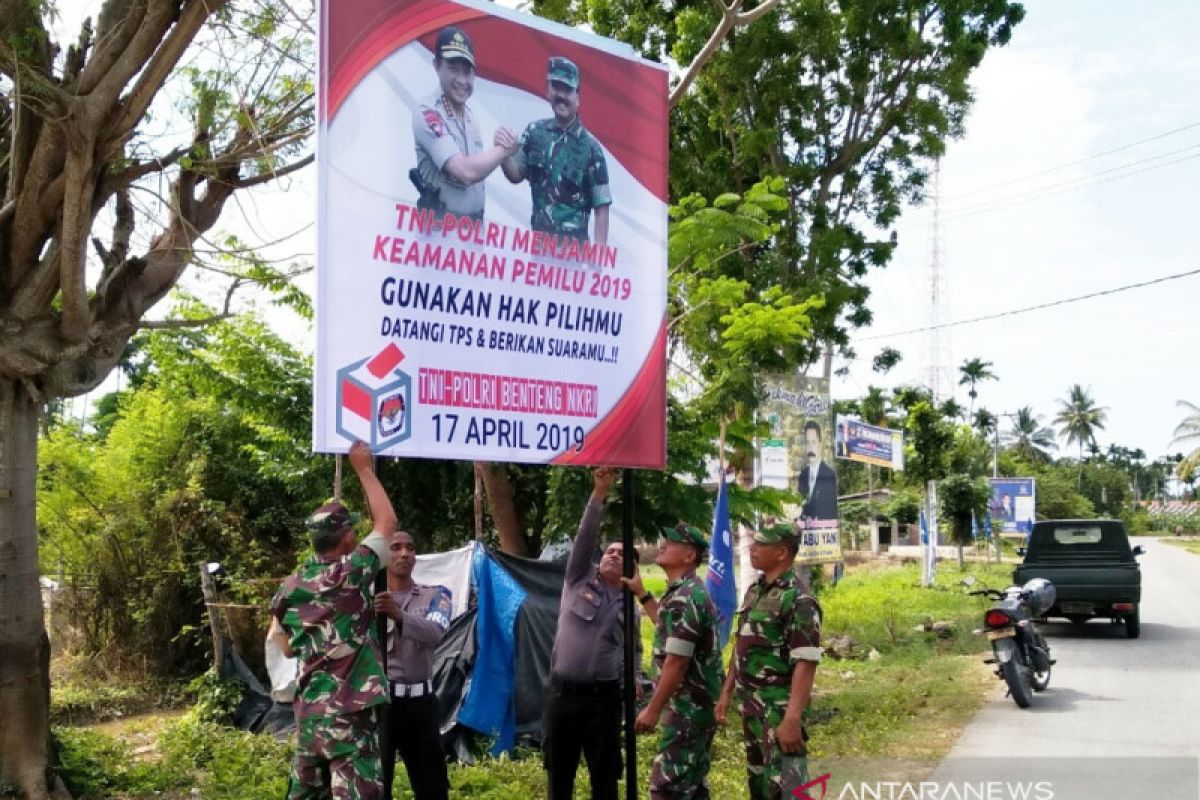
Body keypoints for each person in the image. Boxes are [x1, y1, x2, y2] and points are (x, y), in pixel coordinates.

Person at [271, 441, 397, 800]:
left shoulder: (289, 586)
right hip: (349, 716)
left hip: (309, 714)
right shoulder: (351, 572)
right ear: (347, 537)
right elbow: (387, 524)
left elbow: (283, 644)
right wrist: (364, 469)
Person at [715, 523, 822, 800]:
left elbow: (806, 662)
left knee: (787, 787)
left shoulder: (799, 599)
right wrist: (726, 692)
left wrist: (792, 719)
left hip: (779, 709)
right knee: (759, 784)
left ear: (781, 552)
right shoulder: (756, 590)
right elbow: (741, 644)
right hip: (752, 708)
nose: (752, 548)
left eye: (760, 545)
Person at [543, 466, 628, 800]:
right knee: (559, 777)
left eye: (622, 555)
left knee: (604, 779)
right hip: (562, 696)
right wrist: (599, 494)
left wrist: (636, 679)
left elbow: (632, 648)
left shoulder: (628, 602)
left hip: (604, 701)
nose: (614, 555)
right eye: (610, 551)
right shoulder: (577, 578)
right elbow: (585, 537)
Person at [623, 524, 722, 800]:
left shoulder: (687, 597)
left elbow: (677, 662)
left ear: (689, 556)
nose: (663, 545)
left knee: (668, 788)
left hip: (688, 710)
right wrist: (642, 594)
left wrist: (653, 710)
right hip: (693, 707)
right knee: (692, 786)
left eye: (672, 542)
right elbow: (670, 633)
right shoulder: (684, 592)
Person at [374, 531, 453, 800]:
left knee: (432, 786)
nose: (405, 553)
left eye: (410, 547)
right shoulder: (369, 601)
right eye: (396, 547)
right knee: (377, 783)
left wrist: (398, 615)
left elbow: (435, 632)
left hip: (422, 706)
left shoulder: (436, 595)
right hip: (382, 704)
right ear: (386, 556)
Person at [500, 56, 611, 245]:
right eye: (556, 87)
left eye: (568, 90)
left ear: (578, 98)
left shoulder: (591, 148)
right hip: (540, 251)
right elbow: (515, 175)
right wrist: (502, 152)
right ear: (548, 90)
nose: (561, 95)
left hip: (575, 257)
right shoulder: (534, 133)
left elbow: (602, 207)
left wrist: (598, 261)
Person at [411, 26, 518, 219]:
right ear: (437, 66)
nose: (462, 80)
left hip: (471, 236)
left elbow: (480, 169)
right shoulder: (428, 112)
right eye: (453, 69)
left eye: (467, 72)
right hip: (438, 237)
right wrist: (504, 150)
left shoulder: (470, 117)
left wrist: (502, 145)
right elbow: (464, 171)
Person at [796, 421, 838, 521]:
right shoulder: (803, 475)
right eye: (807, 443)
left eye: (813, 442)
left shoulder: (829, 475)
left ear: (820, 445)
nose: (810, 448)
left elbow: (831, 511)